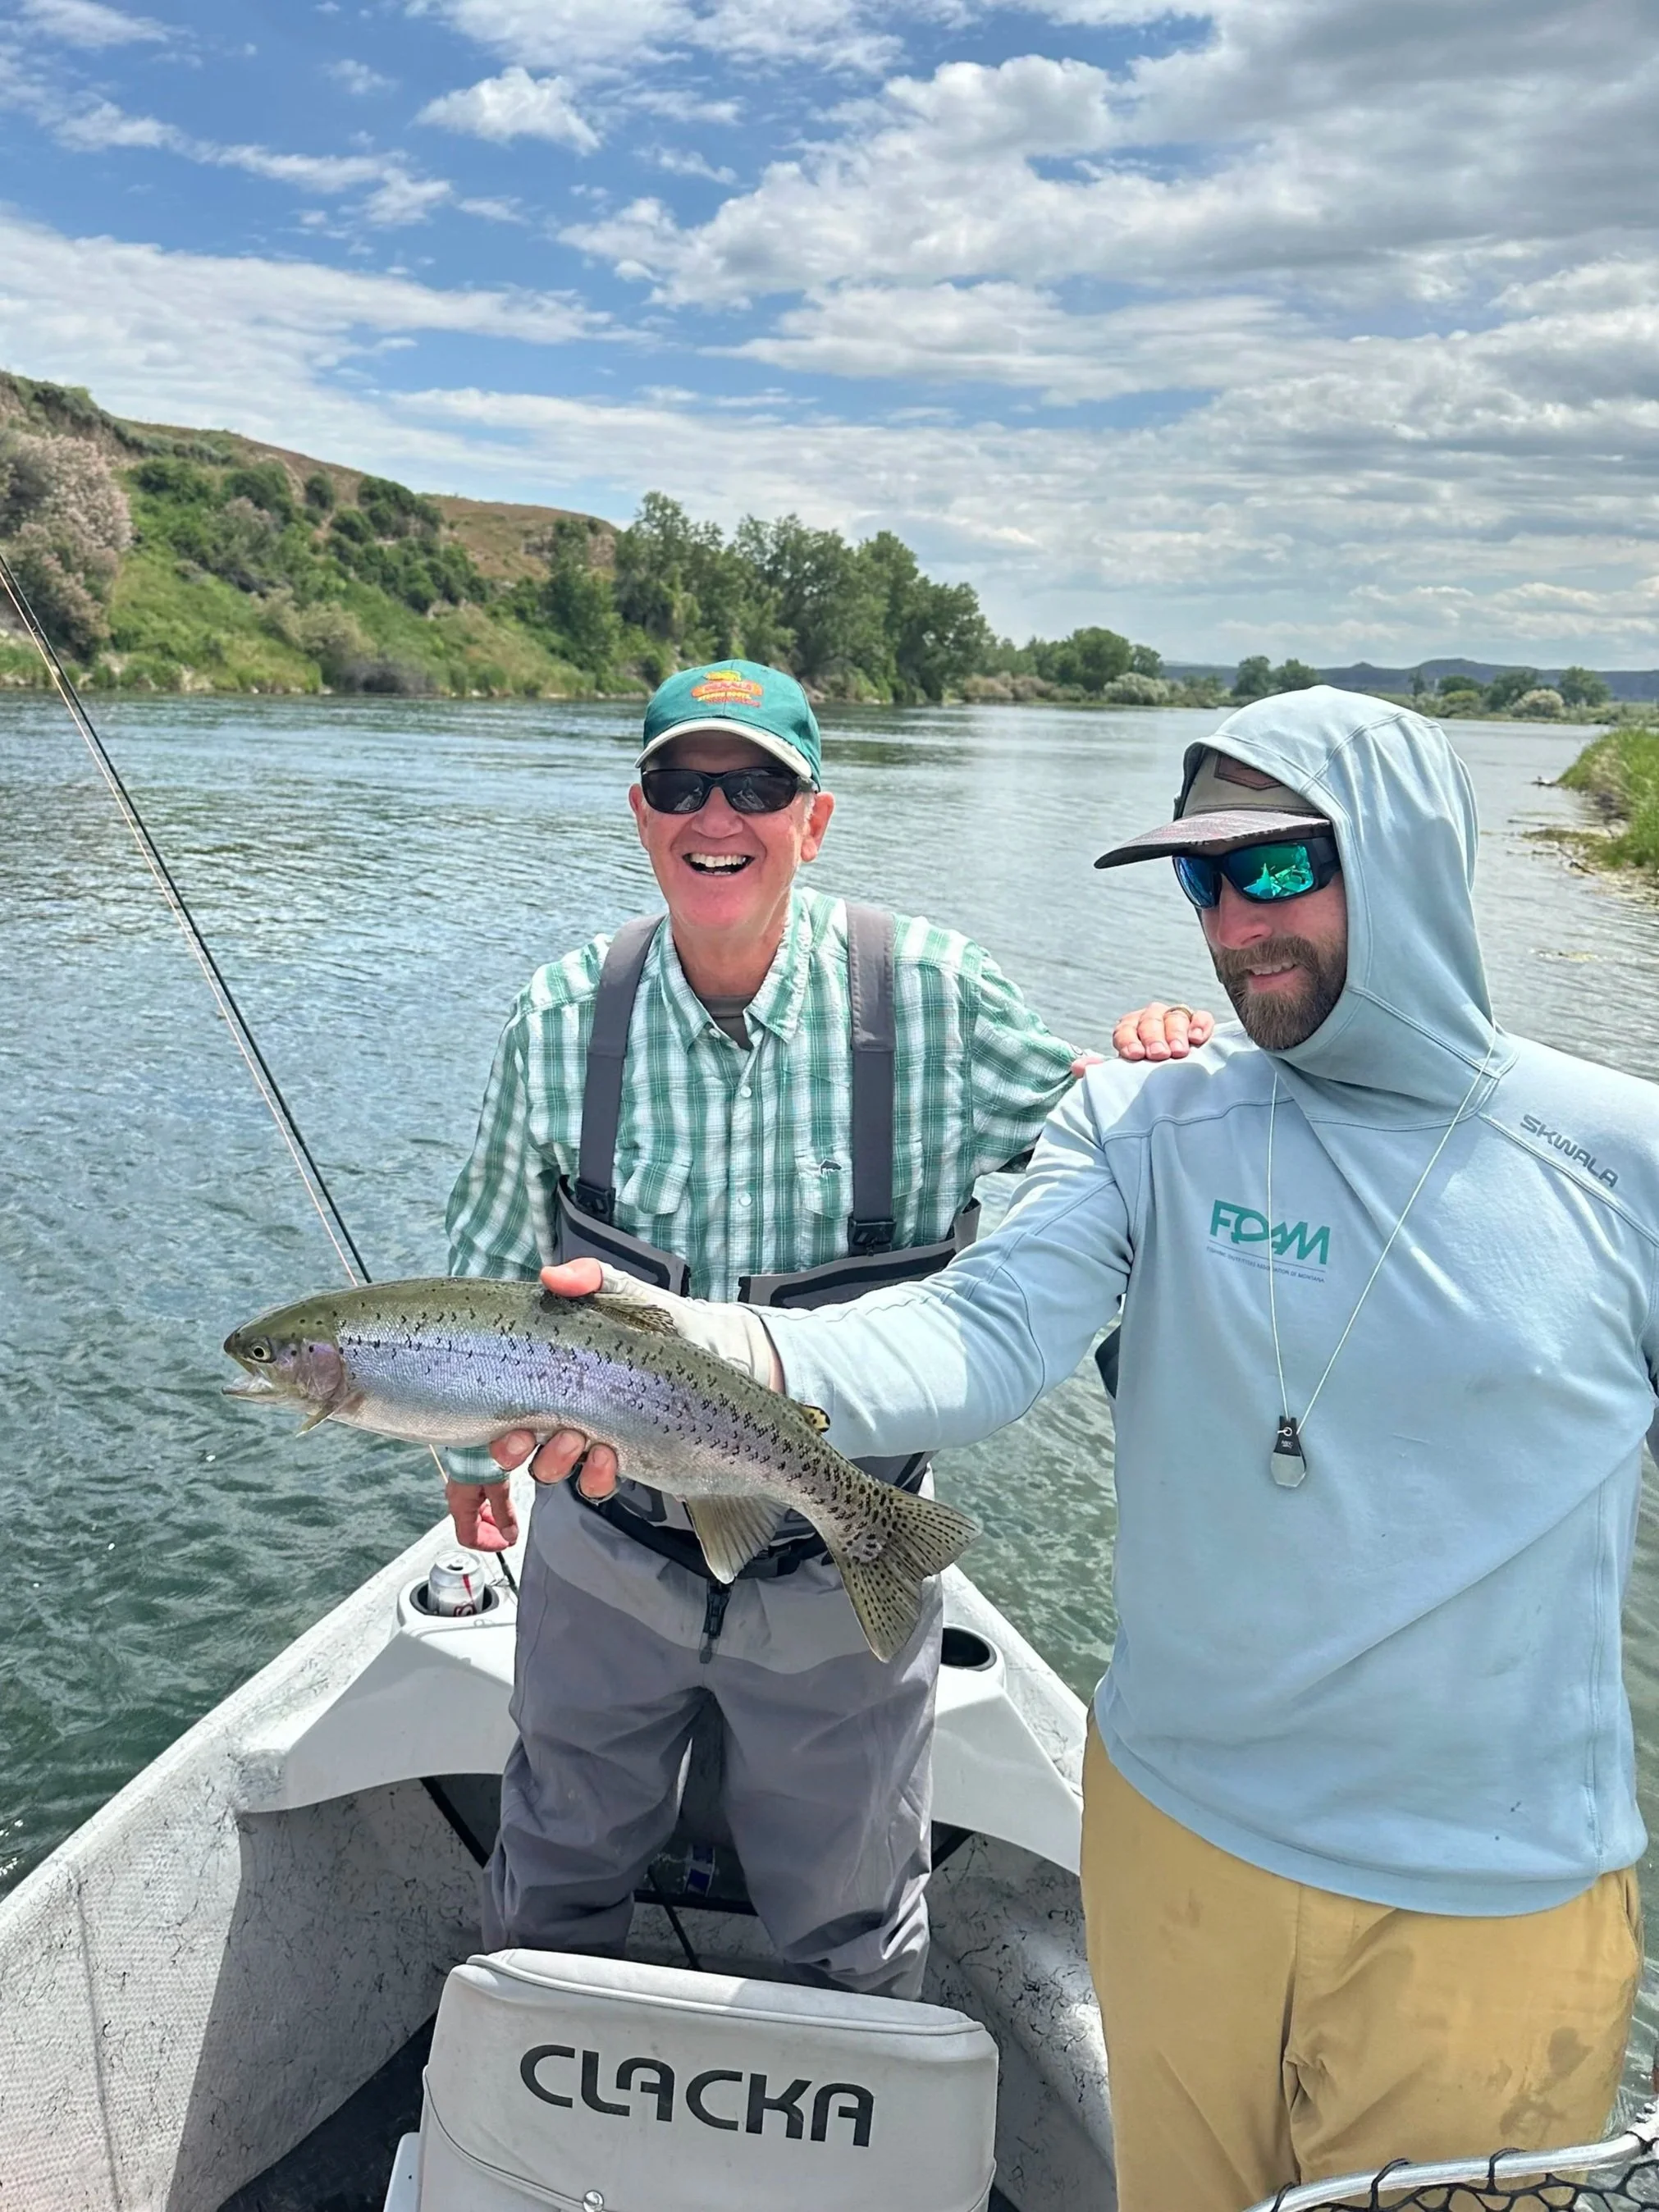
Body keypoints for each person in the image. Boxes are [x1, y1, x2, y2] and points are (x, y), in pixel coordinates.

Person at [524, 687, 1659, 2210]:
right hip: (1173, 1843)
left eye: (1271, 867)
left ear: (1403, 852)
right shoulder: (1141, 1119)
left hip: (1487, 1898)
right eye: (1199, 881)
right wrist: (712, 1348)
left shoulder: (1621, 1161)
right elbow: (975, 1336)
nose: (1232, 923)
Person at [445, 657, 1199, 1998]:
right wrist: (467, 1469)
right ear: (639, 810)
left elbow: (1115, 1156)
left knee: (848, 1916)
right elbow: (495, 1261)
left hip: (834, 1559)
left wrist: (1167, 1061)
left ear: (816, 816)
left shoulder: (934, 995)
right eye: (682, 783)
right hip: (606, 1556)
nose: (714, 815)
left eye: (756, 786)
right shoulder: (561, 1017)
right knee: (554, 1864)